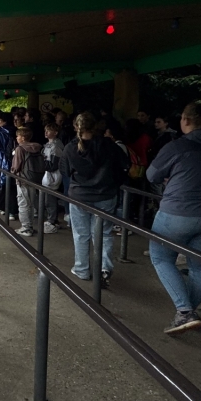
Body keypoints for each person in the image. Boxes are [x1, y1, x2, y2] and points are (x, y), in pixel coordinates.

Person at [147, 102, 201, 334]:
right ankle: (186, 314)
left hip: (178, 212)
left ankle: (185, 311)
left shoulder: (178, 146)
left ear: (186, 120)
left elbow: (152, 173)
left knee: (161, 256)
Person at [61, 112, 127, 284]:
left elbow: (65, 171)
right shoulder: (110, 146)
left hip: (79, 196)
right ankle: (104, 269)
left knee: (81, 234)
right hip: (105, 195)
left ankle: (82, 269)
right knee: (104, 234)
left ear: (76, 127)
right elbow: (123, 168)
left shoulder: (70, 148)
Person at [12, 126, 45, 236]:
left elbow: (16, 167)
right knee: (31, 203)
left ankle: (26, 227)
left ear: (23, 137)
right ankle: (29, 225)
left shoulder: (20, 149)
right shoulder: (38, 147)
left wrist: (12, 172)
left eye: (18, 136)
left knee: (23, 203)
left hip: (23, 179)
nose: (16, 138)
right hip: (35, 178)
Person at [0, 112, 16, 217]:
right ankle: (12, 210)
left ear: (4, 121)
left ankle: (5, 208)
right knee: (14, 186)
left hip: (4, 160)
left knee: (4, 185)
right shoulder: (16, 130)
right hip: (16, 160)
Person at [41, 123, 64, 232]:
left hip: (53, 175)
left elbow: (54, 165)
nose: (46, 133)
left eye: (48, 131)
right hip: (48, 174)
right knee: (48, 198)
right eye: (45, 130)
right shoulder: (48, 145)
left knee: (50, 199)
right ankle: (52, 219)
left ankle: (52, 220)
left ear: (55, 133)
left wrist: (42, 164)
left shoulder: (56, 146)